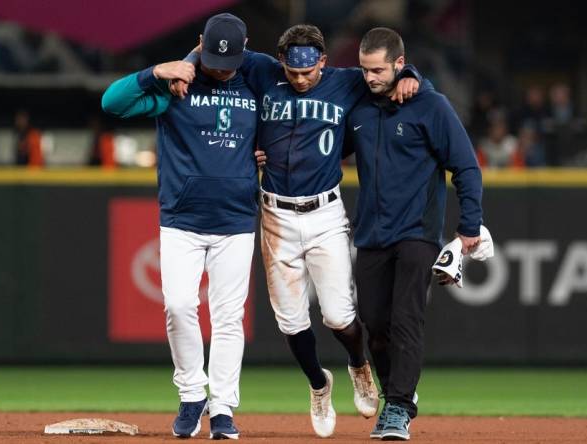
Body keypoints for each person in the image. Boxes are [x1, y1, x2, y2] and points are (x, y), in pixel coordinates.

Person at [175, 23, 421, 438]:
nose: (302, 78)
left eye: (309, 71)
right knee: (290, 322)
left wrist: (413, 74)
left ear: (324, 61)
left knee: (340, 316)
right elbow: (210, 49)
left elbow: (389, 71)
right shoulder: (262, 70)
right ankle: (318, 384)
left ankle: (359, 365)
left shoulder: (346, 82)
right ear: (282, 61)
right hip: (276, 215)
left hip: (325, 213)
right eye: (293, 71)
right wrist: (185, 62)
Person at [102, 13, 259, 440]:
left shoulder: (256, 79)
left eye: (229, 60)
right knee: (177, 306)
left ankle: (223, 408)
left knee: (228, 320)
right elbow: (111, 103)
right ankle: (192, 393)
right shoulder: (175, 85)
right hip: (182, 220)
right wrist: (156, 71)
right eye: (211, 57)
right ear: (198, 44)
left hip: (236, 220)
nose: (220, 67)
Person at [345, 27, 483, 440]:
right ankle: (397, 393)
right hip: (371, 233)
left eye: (378, 70)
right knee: (374, 322)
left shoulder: (431, 106)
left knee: (406, 319)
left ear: (400, 65)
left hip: (417, 232)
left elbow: (466, 166)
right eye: (365, 69)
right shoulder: (359, 107)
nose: (370, 77)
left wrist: (470, 225)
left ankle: (399, 407)